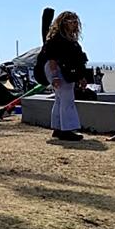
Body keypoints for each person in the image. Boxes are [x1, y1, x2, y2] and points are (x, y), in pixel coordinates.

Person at [39, 10, 91, 141]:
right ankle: (67, 129)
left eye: (75, 22)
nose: (74, 24)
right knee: (67, 99)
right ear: (64, 23)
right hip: (57, 69)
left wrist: (81, 76)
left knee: (60, 99)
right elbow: (52, 59)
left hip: (66, 70)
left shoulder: (71, 40)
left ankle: (58, 127)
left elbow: (77, 60)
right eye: (71, 22)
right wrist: (55, 76)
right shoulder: (56, 39)